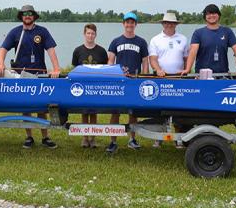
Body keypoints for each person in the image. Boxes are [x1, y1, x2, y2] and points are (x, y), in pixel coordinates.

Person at [0, 4, 60, 149]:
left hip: (40, 75)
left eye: (30, 14)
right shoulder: (15, 32)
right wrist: (0, 63)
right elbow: (3, 48)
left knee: (42, 108)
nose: (27, 16)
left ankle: (45, 137)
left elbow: (51, 50)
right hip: (21, 76)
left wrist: (56, 68)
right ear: (21, 17)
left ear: (34, 16)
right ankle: (29, 137)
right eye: (25, 14)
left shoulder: (43, 32)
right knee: (26, 107)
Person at [106, 12, 149, 153]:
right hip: (119, 81)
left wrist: (144, 77)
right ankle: (113, 141)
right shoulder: (116, 41)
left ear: (136, 25)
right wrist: (113, 75)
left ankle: (132, 139)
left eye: (132, 22)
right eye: (127, 22)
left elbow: (145, 62)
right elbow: (110, 61)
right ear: (123, 24)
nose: (129, 25)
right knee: (115, 111)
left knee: (133, 112)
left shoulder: (141, 42)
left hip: (135, 81)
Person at [148, 12, 189, 148]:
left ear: (175, 24)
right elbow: (152, 59)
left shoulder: (183, 39)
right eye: (166, 23)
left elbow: (186, 59)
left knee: (179, 110)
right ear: (163, 24)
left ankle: (179, 139)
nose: (169, 25)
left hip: (178, 79)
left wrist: (186, 70)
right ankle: (158, 138)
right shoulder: (155, 39)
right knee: (160, 110)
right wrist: (158, 69)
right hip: (162, 79)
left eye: (172, 23)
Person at [183, 4, 236, 77]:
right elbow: (193, 51)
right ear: (205, 17)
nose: (211, 16)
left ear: (218, 15)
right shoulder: (198, 33)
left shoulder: (227, 31)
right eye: (208, 14)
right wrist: (188, 69)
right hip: (202, 75)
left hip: (223, 74)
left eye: (214, 13)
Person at [71, 23, 108, 148]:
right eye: (88, 33)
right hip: (82, 86)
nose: (90, 35)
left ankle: (93, 138)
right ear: (84, 34)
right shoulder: (78, 50)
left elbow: (105, 69)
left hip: (96, 85)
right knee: (84, 111)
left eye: (92, 33)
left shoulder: (102, 51)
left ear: (95, 35)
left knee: (93, 112)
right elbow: (74, 69)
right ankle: (84, 137)